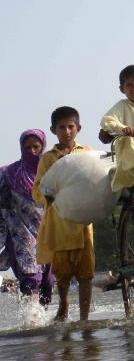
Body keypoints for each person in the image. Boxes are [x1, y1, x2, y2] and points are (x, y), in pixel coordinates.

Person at [32, 107, 94, 321]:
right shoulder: (48, 159)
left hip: (84, 225)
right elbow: (37, 190)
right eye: (62, 127)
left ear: (78, 128)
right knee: (62, 275)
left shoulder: (87, 152)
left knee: (86, 275)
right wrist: (48, 193)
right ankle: (64, 304)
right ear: (53, 130)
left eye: (71, 126)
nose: (67, 131)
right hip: (59, 224)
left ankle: (84, 319)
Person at [0, 129, 54, 306]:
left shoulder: (51, 173)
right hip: (20, 235)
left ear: (42, 147)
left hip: (47, 233)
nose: (32, 151)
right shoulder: (9, 174)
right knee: (30, 279)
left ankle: (44, 322)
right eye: (27, 147)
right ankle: (32, 321)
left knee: (47, 282)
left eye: (36, 147)